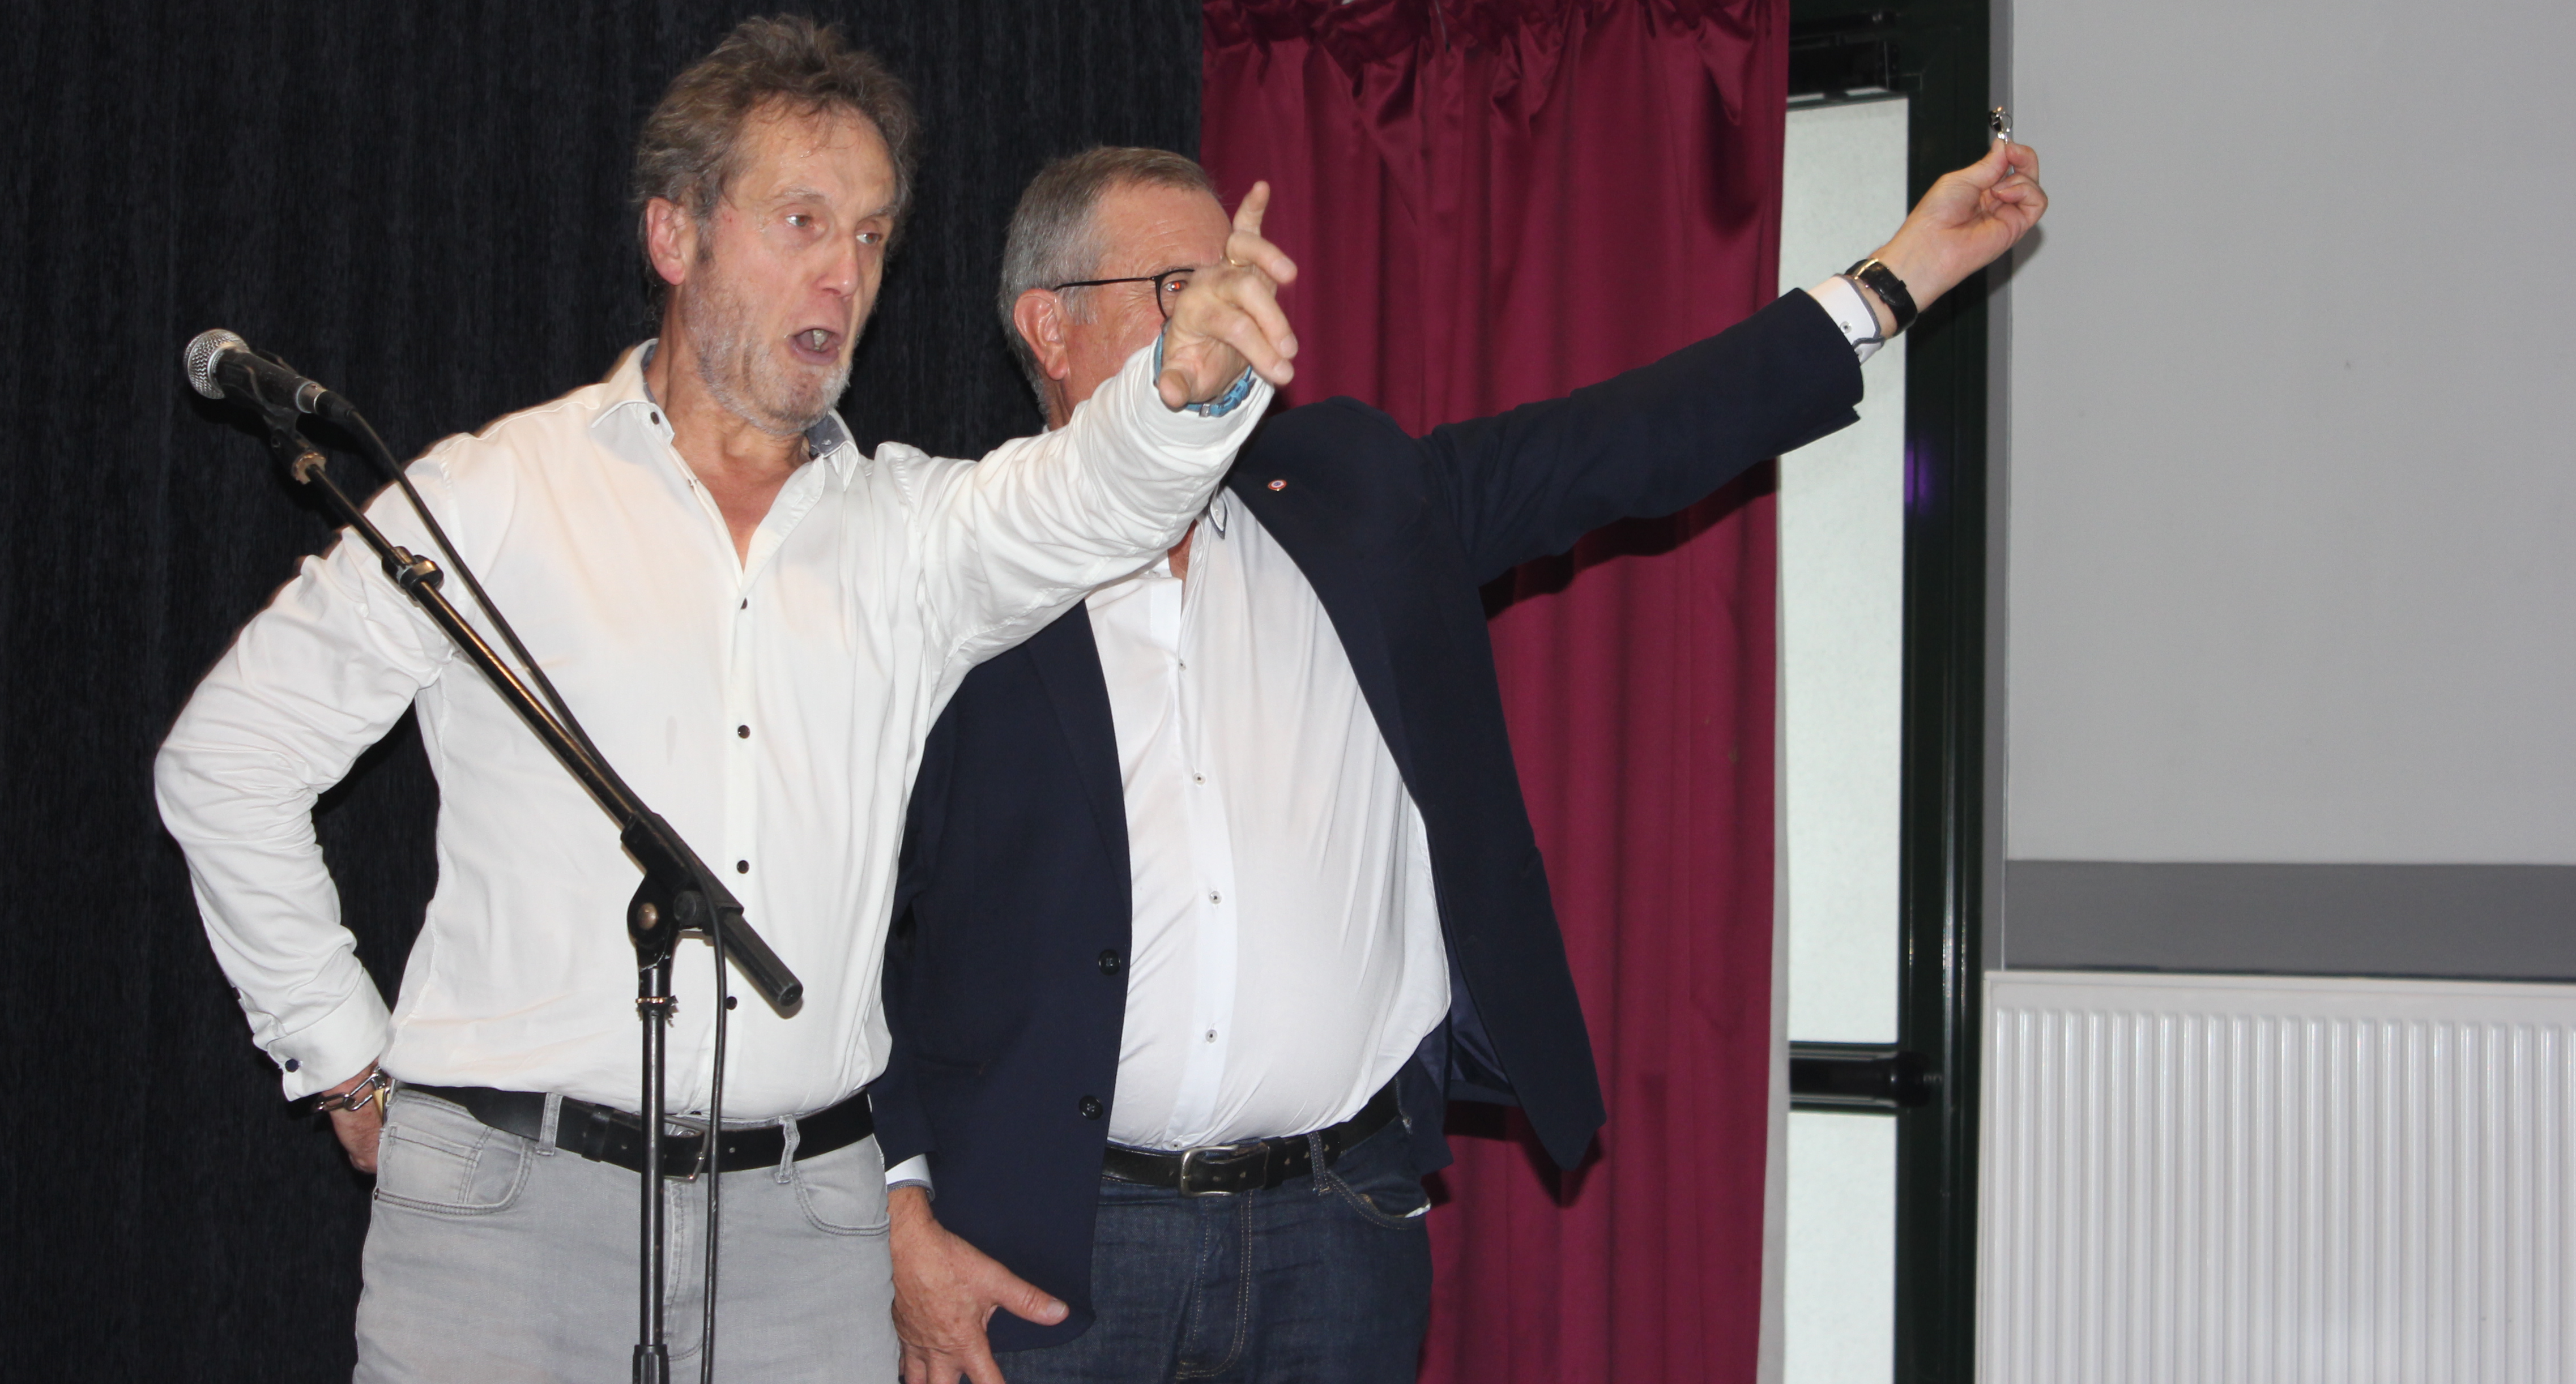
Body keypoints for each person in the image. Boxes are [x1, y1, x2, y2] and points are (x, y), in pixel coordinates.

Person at [153, 19, 1303, 1384]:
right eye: (801, 220)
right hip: (507, 1220)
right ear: (675, 236)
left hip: (806, 1234)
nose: (844, 271)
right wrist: (340, 1056)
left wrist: (1180, 392)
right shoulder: (496, 496)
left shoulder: (909, 533)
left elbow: (1088, 500)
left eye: (871, 235)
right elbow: (230, 759)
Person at [876, 139, 2047, 1384]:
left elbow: (1627, 438)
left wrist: (1895, 280)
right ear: (1051, 329)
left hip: (1338, 1234)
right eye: (1182, 286)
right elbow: (848, 930)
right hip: (1058, 1252)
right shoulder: (946, 574)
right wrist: (897, 1207)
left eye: (1239, 278)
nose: (1229, 313)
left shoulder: (1354, 495)